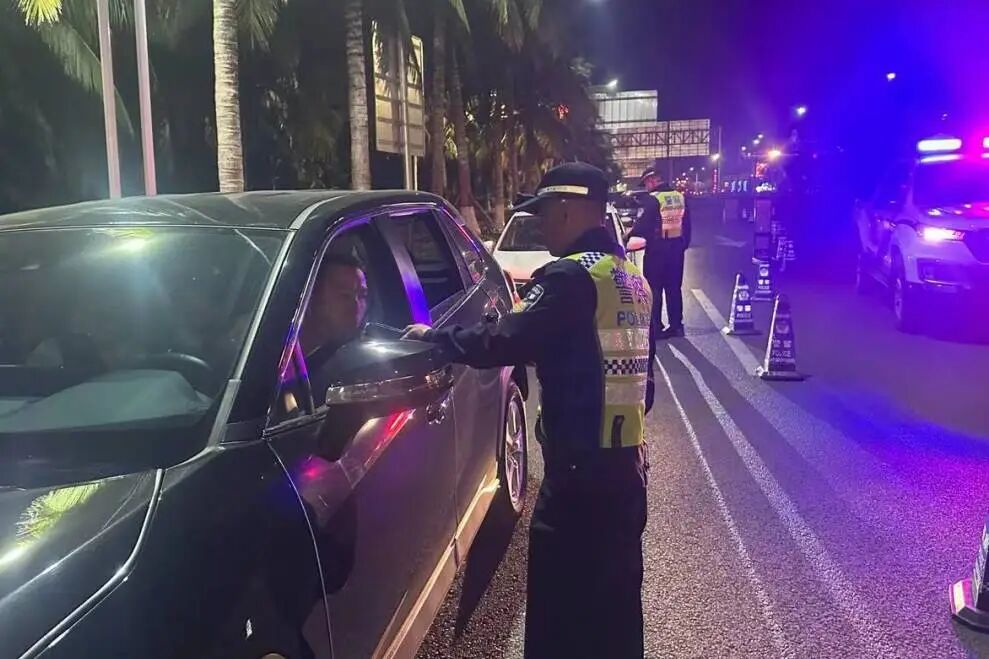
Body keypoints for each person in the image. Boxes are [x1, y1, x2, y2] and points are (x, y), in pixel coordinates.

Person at [404, 163, 651, 658]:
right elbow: (642, 388)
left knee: (558, 618)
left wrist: (436, 338)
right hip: (626, 475)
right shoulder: (629, 279)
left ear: (567, 210)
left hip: (578, 483)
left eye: (543, 213)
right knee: (616, 614)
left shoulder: (569, 277)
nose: (540, 224)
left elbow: (505, 338)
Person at [627, 166, 692, 341]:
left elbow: (642, 225)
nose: (647, 187)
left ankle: (656, 327)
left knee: (654, 288)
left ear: (652, 180)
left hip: (657, 250)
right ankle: (676, 326)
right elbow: (687, 225)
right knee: (674, 288)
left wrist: (627, 236)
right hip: (676, 249)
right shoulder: (680, 197)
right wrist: (682, 245)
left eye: (647, 183)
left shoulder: (653, 199)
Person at [300, 252, 370, 396]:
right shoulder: (278, 356)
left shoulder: (363, 362)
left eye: (362, 295)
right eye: (345, 295)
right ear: (313, 299)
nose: (356, 306)